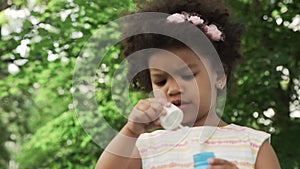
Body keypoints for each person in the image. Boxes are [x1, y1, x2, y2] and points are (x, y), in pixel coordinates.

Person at [95, 0, 281, 168]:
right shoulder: (146, 146)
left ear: (219, 74)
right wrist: (130, 131)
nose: (174, 89)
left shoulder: (253, 145)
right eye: (161, 81)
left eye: (187, 75)